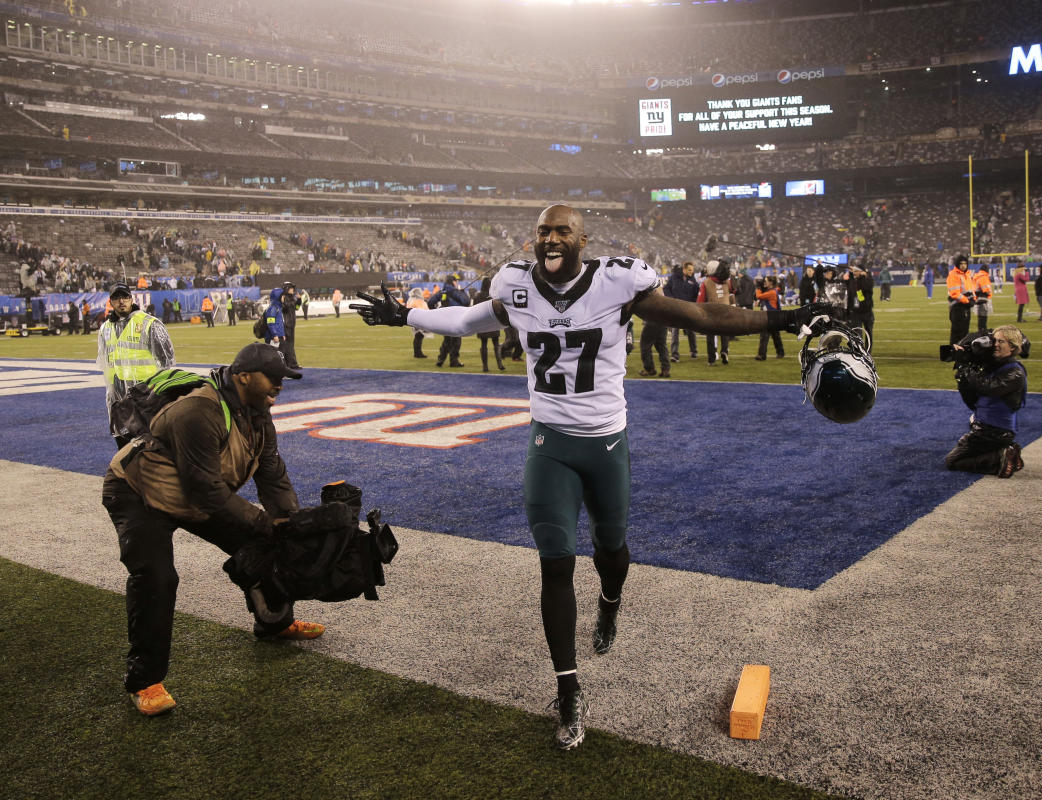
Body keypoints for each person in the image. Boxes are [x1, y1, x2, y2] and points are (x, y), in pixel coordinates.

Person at [350, 204, 836, 750]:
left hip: (607, 443)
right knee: (554, 563)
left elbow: (701, 318)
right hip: (549, 444)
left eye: (562, 231)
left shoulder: (617, 283)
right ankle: (568, 688)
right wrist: (405, 315)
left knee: (612, 550)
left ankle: (609, 604)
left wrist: (785, 317)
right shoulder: (515, 285)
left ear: (584, 238)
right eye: (542, 231)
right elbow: (465, 322)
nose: (550, 239)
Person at [102, 343, 324, 716]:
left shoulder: (259, 415)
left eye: (283, 380)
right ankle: (145, 681)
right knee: (156, 576)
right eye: (273, 378)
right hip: (137, 492)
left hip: (190, 493)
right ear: (243, 377)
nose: (279, 386)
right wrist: (262, 522)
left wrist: (287, 525)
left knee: (267, 542)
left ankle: (274, 623)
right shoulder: (199, 410)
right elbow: (205, 491)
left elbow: (273, 477)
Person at [96, 283, 175, 447]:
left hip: (146, 398)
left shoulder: (149, 324)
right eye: (116, 298)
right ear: (110, 302)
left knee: (149, 445)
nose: (121, 301)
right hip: (117, 400)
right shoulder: (105, 329)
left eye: (125, 297)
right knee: (123, 446)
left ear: (132, 299)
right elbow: (104, 362)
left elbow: (167, 359)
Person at [944, 325, 1028, 478]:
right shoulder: (992, 368)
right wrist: (963, 370)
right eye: (994, 340)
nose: (995, 344)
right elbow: (972, 400)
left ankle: (999, 458)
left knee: (953, 461)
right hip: (986, 427)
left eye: (1001, 341)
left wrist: (967, 367)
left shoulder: (1015, 372)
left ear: (1012, 346)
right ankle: (1004, 451)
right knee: (962, 450)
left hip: (997, 430)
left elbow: (988, 387)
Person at [697, 259, 736, 365]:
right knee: (724, 333)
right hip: (726, 310)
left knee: (710, 336)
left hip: (712, 311)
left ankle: (712, 359)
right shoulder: (727, 282)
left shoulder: (706, 282)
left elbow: (700, 301)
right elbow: (735, 291)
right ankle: (724, 350)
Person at [663, 261, 699, 361]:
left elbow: (696, 293)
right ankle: (674, 355)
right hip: (676, 309)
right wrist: (672, 300)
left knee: (691, 332)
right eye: (690, 270)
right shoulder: (674, 278)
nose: (692, 272)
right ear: (684, 269)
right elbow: (666, 289)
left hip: (688, 310)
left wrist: (693, 304)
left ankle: (694, 351)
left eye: (692, 270)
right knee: (675, 332)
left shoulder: (693, 280)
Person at [432, 276, 468, 367]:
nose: (457, 283)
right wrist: (462, 293)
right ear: (453, 282)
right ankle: (454, 361)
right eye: (456, 281)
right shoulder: (455, 291)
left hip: (444, 320)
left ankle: (441, 359)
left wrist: (435, 311)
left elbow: (430, 302)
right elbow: (466, 301)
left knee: (447, 340)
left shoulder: (442, 291)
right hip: (455, 320)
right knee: (456, 341)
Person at [473, 277, 505, 372]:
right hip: (493, 322)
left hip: (483, 323)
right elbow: (499, 309)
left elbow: (474, 309)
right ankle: (499, 364)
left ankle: (485, 366)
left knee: (484, 344)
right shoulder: (494, 295)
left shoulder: (478, 296)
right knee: (496, 344)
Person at [947, 255, 976, 345]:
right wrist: (968, 301)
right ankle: (954, 351)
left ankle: (963, 351)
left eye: (965, 263)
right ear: (957, 264)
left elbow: (971, 289)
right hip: (957, 306)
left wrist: (973, 299)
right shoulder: (953, 275)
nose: (963, 265)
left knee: (965, 330)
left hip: (965, 306)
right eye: (961, 264)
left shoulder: (967, 274)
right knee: (957, 331)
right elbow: (954, 293)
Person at [754, 275, 784, 360]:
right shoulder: (774, 290)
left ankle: (762, 355)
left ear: (770, 283)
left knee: (764, 336)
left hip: (770, 317)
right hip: (773, 316)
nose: (764, 282)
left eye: (766, 281)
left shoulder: (771, 292)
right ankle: (780, 352)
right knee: (775, 336)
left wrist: (758, 288)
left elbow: (759, 296)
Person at [280, 282, 301, 369]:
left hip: (291, 324)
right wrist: (294, 300)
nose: (293, 290)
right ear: (287, 289)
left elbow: (296, 308)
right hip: (286, 324)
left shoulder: (291, 298)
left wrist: (299, 300)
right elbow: (285, 308)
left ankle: (292, 364)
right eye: (291, 288)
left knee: (290, 345)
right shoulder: (284, 298)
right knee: (286, 345)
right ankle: (288, 364)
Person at [974, 265, 993, 332]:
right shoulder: (983, 277)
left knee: (980, 316)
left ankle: (981, 329)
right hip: (983, 298)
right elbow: (985, 288)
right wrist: (988, 293)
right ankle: (982, 330)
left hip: (978, 297)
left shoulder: (978, 276)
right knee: (983, 316)